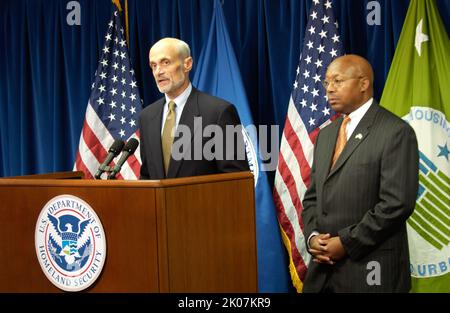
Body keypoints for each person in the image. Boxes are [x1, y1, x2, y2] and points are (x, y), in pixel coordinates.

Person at [301, 55, 419, 292]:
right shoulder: (326, 136)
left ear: (364, 84)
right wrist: (313, 237)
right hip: (322, 274)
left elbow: (396, 204)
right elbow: (313, 197)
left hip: (369, 272)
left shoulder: (395, 132)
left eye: (338, 81)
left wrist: (345, 242)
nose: (329, 89)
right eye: (326, 83)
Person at [139, 38, 249, 179]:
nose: (158, 71)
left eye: (166, 62)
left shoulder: (219, 112)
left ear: (187, 64)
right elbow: (147, 176)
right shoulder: (147, 117)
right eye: (153, 65)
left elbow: (235, 179)